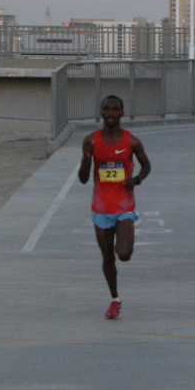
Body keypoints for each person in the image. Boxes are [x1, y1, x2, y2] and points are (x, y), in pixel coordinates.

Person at [78, 96, 151, 319]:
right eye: (106, 109)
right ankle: (114, 299)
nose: (110, 113)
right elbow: (82, 179)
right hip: (100, 208)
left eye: (115, 110)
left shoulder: (132, 142)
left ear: (122, 113)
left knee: (124, 254)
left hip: (124, 206)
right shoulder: (91, 140)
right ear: (101, 112)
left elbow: (146, 165)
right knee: (108, 257)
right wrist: (87, 157)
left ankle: (126, 241)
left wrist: (136, 180)